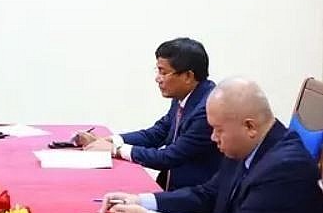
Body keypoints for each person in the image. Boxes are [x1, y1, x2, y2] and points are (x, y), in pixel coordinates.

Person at [98, 78, 323, 213]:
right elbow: (207, 194)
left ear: (249, 126)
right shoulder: (246, 144)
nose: (213, 138)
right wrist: (142, 201)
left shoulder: (285, 166)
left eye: (218, 130)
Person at [77, 37, 221, 190]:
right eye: (157, 71)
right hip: (171, 189)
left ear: (188, 76)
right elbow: (157, 133)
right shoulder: (185, 95)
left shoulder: (206, 109)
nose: (157, 79)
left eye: (163, 72)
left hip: (192, 198)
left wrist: (116, 150)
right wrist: (110, 141)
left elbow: (169, 156)